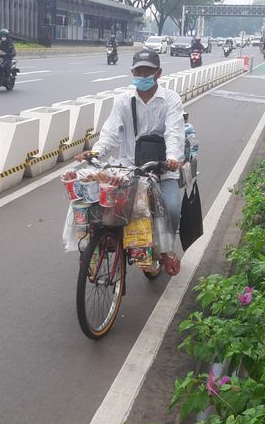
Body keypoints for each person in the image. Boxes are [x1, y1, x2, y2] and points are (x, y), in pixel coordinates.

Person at [77, 49, 185, 275]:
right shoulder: (123, 101)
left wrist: (173, 157)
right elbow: (109, 132)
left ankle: (166, 249)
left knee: (172, 209)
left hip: (162, 169)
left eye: (148, 70)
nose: (143, 74)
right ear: (133, 72)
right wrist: (96, 152)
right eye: (139, 70)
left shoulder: (171, 100)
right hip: (129, 168)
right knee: (102, 208)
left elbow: (174, 132)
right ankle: (101, 244)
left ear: (158, 73)